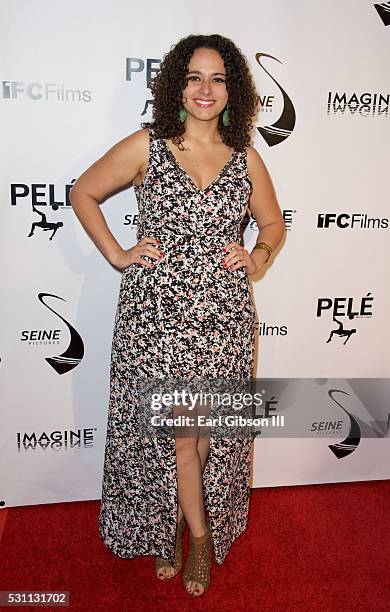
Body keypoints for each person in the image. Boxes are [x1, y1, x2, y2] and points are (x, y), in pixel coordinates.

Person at [70, 33, 285, 598]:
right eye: (193, 77)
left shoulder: (247, 159)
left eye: (217, 78)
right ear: (176, 86)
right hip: (157, 319)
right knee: (181, 437)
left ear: (233, 89)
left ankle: (182, 522)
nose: (205, 89)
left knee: (207, 433)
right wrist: (118, 254)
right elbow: (83, 193)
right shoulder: (149, 146)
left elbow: (273, 226)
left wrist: (257, 256)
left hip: (224, 319)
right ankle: (198, 538)